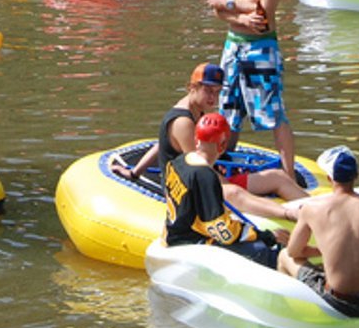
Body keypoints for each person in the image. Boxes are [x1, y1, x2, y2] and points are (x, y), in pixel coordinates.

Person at [114, 64, 308, 217]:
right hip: (186, 188)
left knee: (278, 176)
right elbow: (198, 168)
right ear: (192, 87)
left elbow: (160, 143)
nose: (213, 98)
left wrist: (134, 172)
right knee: (233, 193)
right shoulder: (182, 122)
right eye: (208, 91)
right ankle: (291, 215)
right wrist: (226, 184)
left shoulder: (196, 109)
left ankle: (320, 210)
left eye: (217, 92)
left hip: (203, 177)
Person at [208, 0, 296, 178]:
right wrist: (241, 16)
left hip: (262, 47)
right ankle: (221, 166)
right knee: (228, 108)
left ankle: (289, 173)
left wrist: (229, 3)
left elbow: (264, 13)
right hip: (233, 44)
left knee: (273, 110)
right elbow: (216, 10)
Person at [278, 146, 359, 317]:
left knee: (284, 256)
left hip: (339, 302)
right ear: (357, 176)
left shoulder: (312, 209)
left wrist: (320, 250)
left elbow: (293, 251)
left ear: (329, 178)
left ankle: (290, 314)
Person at [161, 112, 283, 268]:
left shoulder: (177, 162)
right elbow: (223, 232)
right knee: (266, 251)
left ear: (196, 139)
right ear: (223, 146)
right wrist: (265, 235)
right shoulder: (206, 176)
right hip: (191, 245)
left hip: (171, 236)